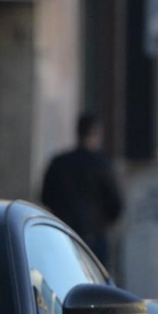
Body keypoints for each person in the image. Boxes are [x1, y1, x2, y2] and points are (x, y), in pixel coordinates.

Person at [40, 113, 125, 270]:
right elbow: (116, 204)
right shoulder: (102, 164)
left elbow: (45, 197)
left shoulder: (59, 163)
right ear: (97, 134)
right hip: (93, 239)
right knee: (96, 287)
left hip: (62, 235)